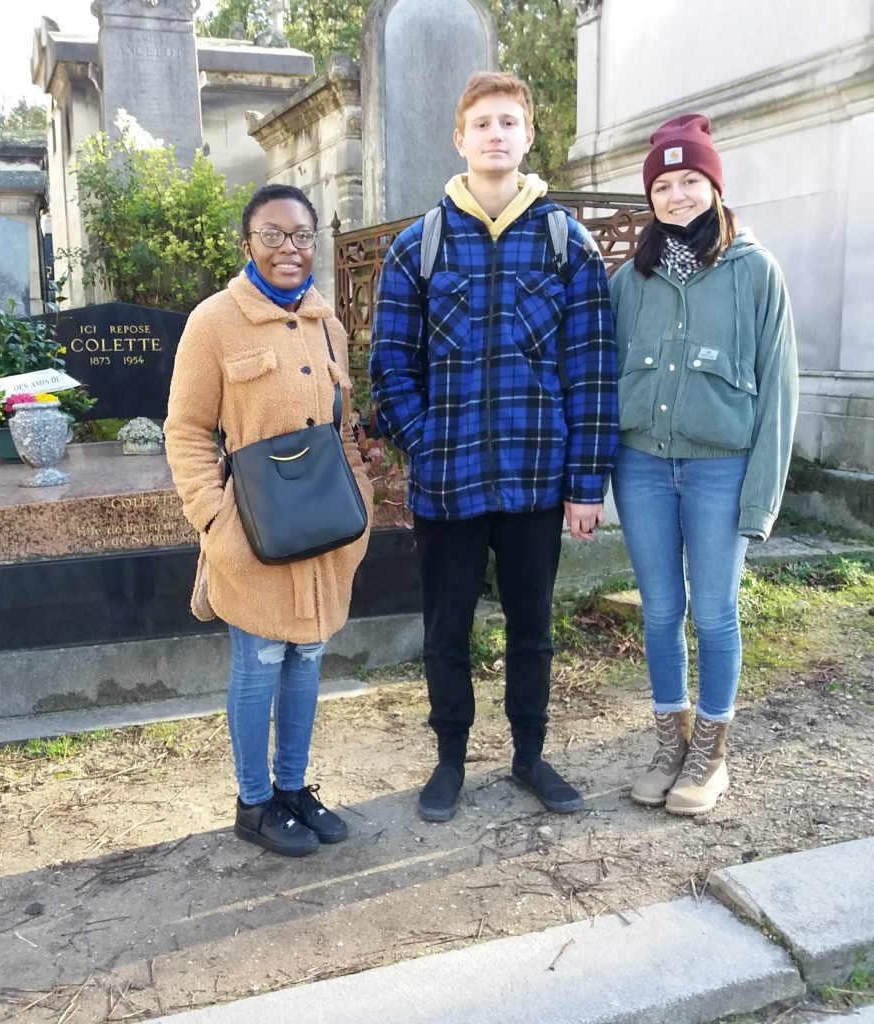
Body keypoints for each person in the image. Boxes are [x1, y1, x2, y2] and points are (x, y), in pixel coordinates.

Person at [369, 72, 618, 822]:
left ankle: (530, 755)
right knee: (445, 629)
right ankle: (449, 759)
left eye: (509, 122)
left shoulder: (566, 243)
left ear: (528, 136)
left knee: (532, 629)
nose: (496, 135)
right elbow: (391, 365)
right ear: (461, 138)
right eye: (482, 123)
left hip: (536, 478)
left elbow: (592, 369)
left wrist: (586, 483)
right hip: (449, 482)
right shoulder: (418, 247)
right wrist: (426, 443)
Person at [164, 184, 373, 856]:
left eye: (302, 236)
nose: (290, 248)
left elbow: (343, 429)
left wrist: (363, 502)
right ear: (248, 242)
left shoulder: (327, 324)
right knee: (258, 666)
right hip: (253, 537)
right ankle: (254, 803)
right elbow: (186, 430)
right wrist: (213, 519)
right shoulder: (213, 321)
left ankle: (292, 789)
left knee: (306, 661)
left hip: (325, 535)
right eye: (273, 235)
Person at [610, 114, 798, 816]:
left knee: (715, 611)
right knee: (661, 610)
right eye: (663, 185)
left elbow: (779, 389)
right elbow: (602, 378)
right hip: (642, 468)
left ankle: (711, 754)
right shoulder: (630, 280)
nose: (677, 195)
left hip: (721, 470)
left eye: (691, 180)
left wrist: (761, 498)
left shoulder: (756, 271)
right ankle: (672, 745)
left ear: (715, 187)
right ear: (650, 197)